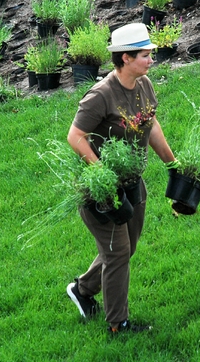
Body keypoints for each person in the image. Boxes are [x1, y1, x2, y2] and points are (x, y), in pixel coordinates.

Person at [66, 23, 176, 334]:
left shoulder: (144, 85)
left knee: (126, 249)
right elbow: (75, 136)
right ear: (125, 58)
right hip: (101, 191)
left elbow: (151, 127)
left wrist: (173, 163)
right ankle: (118, 323)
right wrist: (100, 171)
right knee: (117, 254)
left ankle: (83, 290)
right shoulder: (100, 95)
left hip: (132, 183)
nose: (151, 59)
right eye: (145, 54)